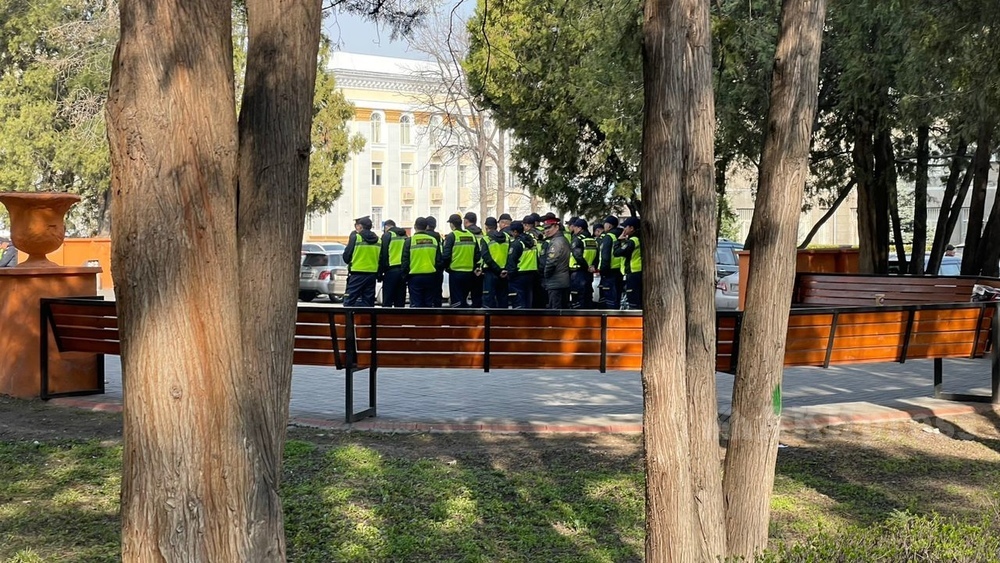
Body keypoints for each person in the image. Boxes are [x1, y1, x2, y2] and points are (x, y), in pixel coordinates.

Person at [401, 217, 442, 308]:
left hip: (415, 277)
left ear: (415, 226)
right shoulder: (433, 240)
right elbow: (438, 261)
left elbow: (405, 261)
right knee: (428, 305)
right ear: (426, 227)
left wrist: (404, 276)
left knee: (416, 305)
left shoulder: (409, 241)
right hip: (430, 276)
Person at [441, 213, 480, 307]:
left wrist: (446, 267)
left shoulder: (452, 236)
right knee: (464, 299)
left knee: (457, 302)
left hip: (456, 273)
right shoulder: (471, 236)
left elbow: (446, 255)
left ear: (452, 224)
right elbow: (477, 255)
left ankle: (458, 316)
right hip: (469, 273)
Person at [342, 216, 380, 307]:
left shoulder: (356, 237)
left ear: (360, 226)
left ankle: (349, 316)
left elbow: (346, 256)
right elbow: (381, 257)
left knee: (349, 301)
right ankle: (366, 316)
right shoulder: (379, 240)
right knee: (368, 302)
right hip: (372, 274)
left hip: (357, 273)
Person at [502, 221, 538, 309]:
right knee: (528, 300)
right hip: (531, 274)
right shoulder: (532, 241)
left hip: (518, 275)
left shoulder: (517, 243)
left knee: (518, 302)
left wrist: (509, 275)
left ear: (515, 232)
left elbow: (511, 261)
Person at [541, 216, 571, 309]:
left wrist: (546, 275)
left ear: (557, 227)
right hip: (562, 280)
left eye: (549, 228)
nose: (546, 231)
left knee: (555, 310)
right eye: (545, 228)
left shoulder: (556, 242)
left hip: (556, 282)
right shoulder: (562, 239)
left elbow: (551, 261)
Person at [480, 216, 509, 308]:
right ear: (496, 226)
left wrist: (497, 270)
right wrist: (503, 270)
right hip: (504, 272)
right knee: (503, 298)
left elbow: (486, 257)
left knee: (488, 299)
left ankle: (490, 317)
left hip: (491, 272)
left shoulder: (485, 239)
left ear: (486, 226)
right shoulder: (507, 237)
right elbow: (510, 255)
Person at [614, 216, 642, 310]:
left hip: (633, 272)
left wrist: (618, 241)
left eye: (625, 227)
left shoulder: (633, 241)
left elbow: (617, 252)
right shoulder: (636, 239)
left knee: (633, 302)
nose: (623, 230)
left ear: (631, 228)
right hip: (635, 272)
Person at [569, 219, 598, 309]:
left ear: (580, 228)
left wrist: (586, 267)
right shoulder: (593, 240)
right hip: (589, 272)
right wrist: (593, 266)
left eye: (575, 227)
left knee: (577, 298)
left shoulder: (577, 239)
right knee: (587, 296)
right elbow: (597, 255)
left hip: (578, 272)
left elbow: (578, 256)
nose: (573, 229)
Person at [378, 219, 407, 307]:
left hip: (391, 270)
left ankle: (387, 315)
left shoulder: (387, 235)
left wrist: (380, 272)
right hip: (403, 271)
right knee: (400, 300)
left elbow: (383, 254)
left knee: (387, 300)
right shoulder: (405, 235)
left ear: (386, 227)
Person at [597, 216, 624, 309]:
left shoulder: (609, 237)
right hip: (620, 270)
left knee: (608, 300)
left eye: (605, 224)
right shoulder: (621, 235)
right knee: (617, 298)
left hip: (609, 271)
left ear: (609, 226)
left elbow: (605, 256)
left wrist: (603, 271)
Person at [463, 211, 485, 308]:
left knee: (463, 297)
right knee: (477, 297)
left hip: (467, 267)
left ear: (466, 221)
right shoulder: (482, 233)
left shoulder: (466, 234)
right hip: (480, 268)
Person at [425, 216, 444, 306]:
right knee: (437, 294)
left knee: (426, 296)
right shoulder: (439, 237)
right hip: (438, 269)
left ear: (426, 225)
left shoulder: (425, 236)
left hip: (427, 268)